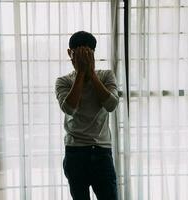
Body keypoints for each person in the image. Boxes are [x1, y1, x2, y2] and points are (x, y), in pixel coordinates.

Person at [54, 31, 119, 200]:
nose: (82, 59)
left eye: (87, 54)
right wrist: (81, 74)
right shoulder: (63, 81)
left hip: (101, 151)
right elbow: (69, 108)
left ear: (93, 54)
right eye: (78, 54)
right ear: (70, 53)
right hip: (75, 152)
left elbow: (111, 105)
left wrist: (91, 73)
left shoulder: (106, 76)